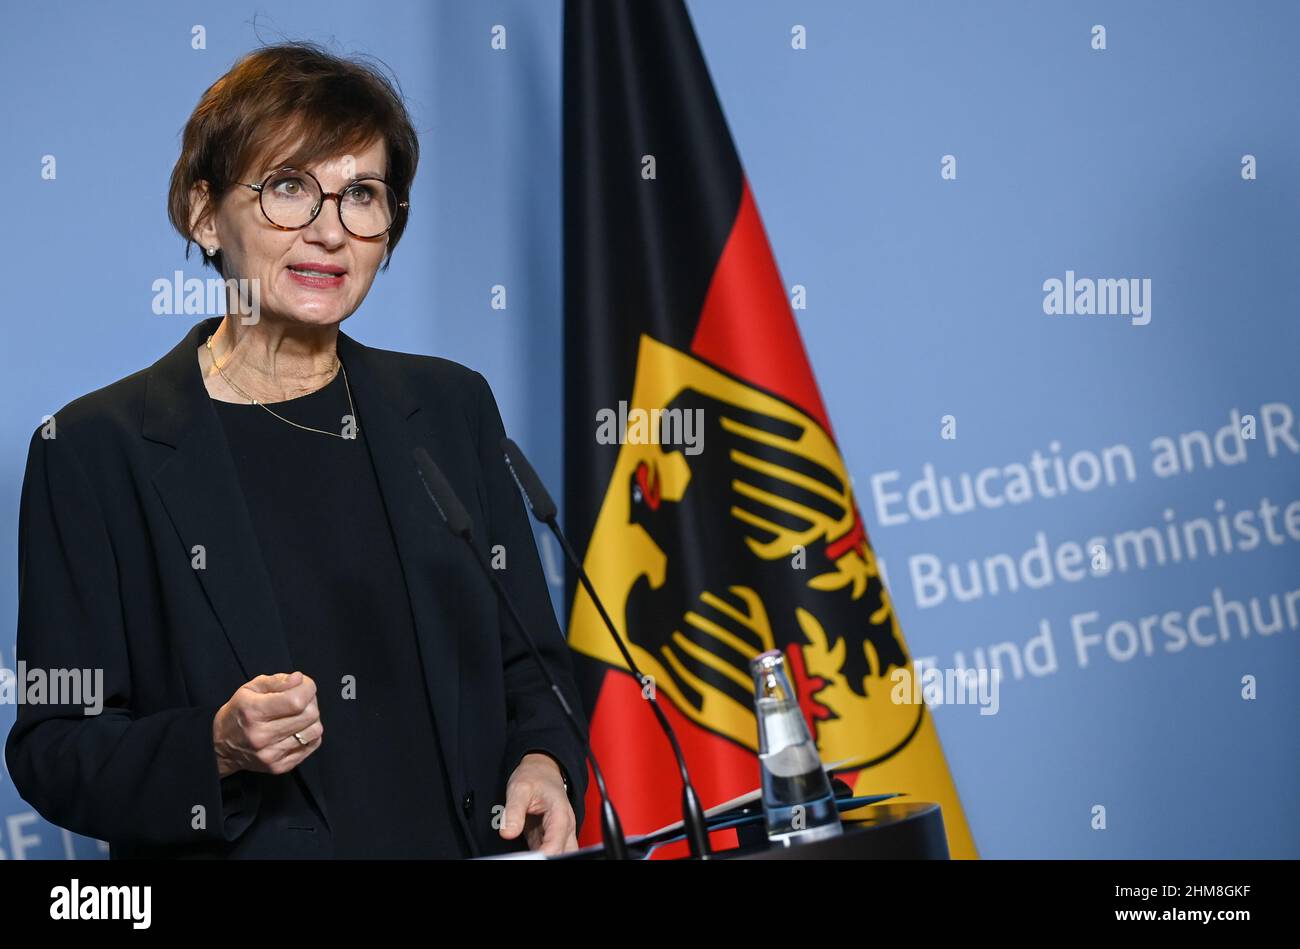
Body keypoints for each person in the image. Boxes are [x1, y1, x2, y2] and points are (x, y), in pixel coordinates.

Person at [4, 41, 587, 859]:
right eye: (288, 188)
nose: (329, 231)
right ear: (204, 213)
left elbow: (532, 668)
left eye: (363, 196)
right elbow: (52, 747)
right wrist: (213, 744)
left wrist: (542, 763)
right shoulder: (95, 452)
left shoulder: (452, 407)